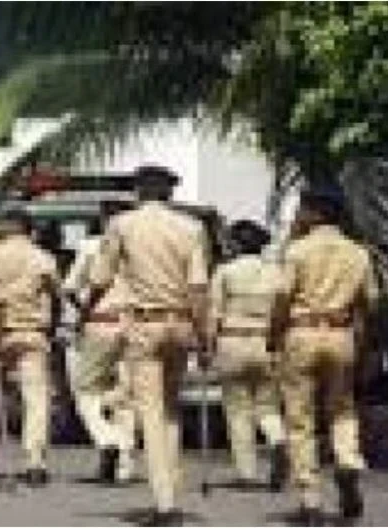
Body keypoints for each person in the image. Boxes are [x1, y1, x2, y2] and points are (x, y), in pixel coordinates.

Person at [87, 165, 209, 526]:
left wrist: (89, 308)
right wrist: (204, 336)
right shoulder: (191, 227)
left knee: (151, 413)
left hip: (144, 325)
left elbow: (101, 278)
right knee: (170, 410)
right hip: (181, 323)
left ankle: (165, 503)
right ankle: (172, 487)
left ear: (138, 191)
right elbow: (198, 287)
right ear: (170, 193)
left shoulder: (122, 224)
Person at [278, 186, 378, 526]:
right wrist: (362, 344)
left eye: (302, 209)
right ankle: (348, 461)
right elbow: (368, 303)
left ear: (315, 213)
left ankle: (310, 500)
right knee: (342, 409)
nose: (298, 215)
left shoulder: (297, 250)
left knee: (300, 418)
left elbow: (283, 297)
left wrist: (274, 335)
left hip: (302, 333)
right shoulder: (358, 253)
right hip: (341, 334)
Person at [208, 220, 287, 490]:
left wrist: (208, 345)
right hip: (266, 341)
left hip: (233, 341)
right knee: (268, 405)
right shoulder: (277, 272)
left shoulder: (225, 271)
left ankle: (247, 472)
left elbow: (214, 313)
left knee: (238, 410)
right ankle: (277, 438)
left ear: (236, 243)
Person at [0, 207, 59, 486]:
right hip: (32, 332)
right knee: (36, 399)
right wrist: (51, 328)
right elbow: (56, 294)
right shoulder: (43, 258)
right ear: (30, 230)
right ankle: (34, 461)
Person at [64, 213, 136, 485]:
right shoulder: (141, 245)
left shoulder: (91, 247)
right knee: (124, 395)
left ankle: (107, 440)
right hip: (135, 325)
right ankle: (125, 463)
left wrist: (83, 313)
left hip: (100, 324)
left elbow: (70, 287)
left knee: (87, 390)